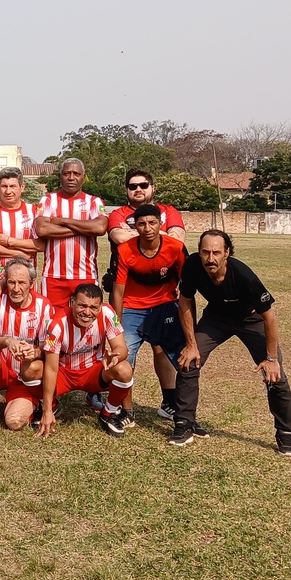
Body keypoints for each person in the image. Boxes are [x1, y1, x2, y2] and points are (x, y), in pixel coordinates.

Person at [170, 231, 291, 456]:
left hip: (250, 319)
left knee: (275, 375)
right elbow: (185, 302)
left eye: (217, 252)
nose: (211, 258)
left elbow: (269, 317)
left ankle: (285, 433)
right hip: (216, 318)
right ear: (199, 252)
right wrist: (191, 344)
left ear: (227, 253)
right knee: (188, 361)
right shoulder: (191, 266)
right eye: (205, 252)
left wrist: (271, 359)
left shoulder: (243, 276)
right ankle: (184, 423)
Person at [105, 169, 187, 419]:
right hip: (129, 300)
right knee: (124, 354)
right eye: (132, 186)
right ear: (127, 190)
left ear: (153, 186)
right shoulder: (117, 213)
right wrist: (153, 234)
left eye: (143, 185)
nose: (138, 189)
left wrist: (143, 233)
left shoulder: (169, 210)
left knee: (162, 350)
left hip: (163, 298)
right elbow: (118, 236)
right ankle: (124, 408)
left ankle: (170, 402)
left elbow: (178, 239)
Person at [38, 283, 134, 439]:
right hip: (64, 373)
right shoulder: (57, 324)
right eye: (82, 305)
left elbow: (122, 348)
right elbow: (51, 368)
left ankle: (107, 413)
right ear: (72, 302)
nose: (87, 312)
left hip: (93, 372)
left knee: (124, 369)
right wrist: (46, 410)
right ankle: (51, 407)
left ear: (100, 307)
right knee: (33, 369)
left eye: (93, 308)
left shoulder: (108, 313)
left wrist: (116, 356)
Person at [0, 258, 54, 431]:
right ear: (5, 282)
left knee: (13, 422)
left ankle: (38, 403)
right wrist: (7, 341)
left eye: (22, 283)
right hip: (2, 369)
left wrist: (33, 352)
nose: (16, 289)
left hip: (25, 377)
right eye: (11, 282)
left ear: (32, 283)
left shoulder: (44, 306)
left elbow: (48, 349)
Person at [33, 158, 108, 310]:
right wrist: (84, 228)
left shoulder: (94, 201)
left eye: (76, 173)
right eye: (67, 173)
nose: (71, 178)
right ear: (60, 176)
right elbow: (42, 229)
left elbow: (100, 228)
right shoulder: (49, 199)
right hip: (54, 276)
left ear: (83, 176)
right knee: (53, 323)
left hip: (85, 274)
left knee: (86, 320)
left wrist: (63, 221)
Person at [0, 168, 43, 267]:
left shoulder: (33, 211)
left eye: (13, 186)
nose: (8, 191)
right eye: (4, 186)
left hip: (27, 277)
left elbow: (40, 245)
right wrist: (18, 254)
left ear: (22, 187)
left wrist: (9, 241)